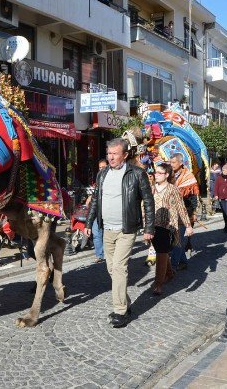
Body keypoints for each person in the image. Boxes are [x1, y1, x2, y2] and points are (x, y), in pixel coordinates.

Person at [85, 138, 155, 328]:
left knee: (119, 268)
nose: (111, 157)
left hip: (127, 229)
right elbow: (95, 200)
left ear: (125, 155)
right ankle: (126, 302)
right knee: (111, 269)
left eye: (115, 154)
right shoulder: (102, 174)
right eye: (109, 154)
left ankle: (120, 311)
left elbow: (148, 202)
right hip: (106, 229)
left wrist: (149, 228)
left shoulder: (137, 174)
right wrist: (89, 222)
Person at [151, 162, 193, 295]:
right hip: (153, 225)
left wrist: (188, 225)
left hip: (168, 226)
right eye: (155, 172)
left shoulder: (172, 189)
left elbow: (181, 207)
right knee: (160, 251)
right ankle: (169, 273)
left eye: (159, 173)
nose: (156, 175)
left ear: (167, 175)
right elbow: (144, 205)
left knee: (161, 252)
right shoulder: (152, 188)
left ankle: (158, 283)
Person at [170, 153, 199, 270]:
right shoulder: (169, 175)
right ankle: (183, 261)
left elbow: (193, 197)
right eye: (170, 162)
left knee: (177, 240)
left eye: (173, 162)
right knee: (175, 239)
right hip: (170, 213)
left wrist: (193, 213)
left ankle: (173, 266)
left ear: (180, 163)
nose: (171, 165)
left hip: (184, 212)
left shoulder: (189, 177)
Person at [86, 159, 109, 263]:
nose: (101, 169)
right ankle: (99, 255)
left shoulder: (112, 180)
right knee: (96, 233)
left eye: (103, 167)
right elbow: (95, 194)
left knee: (107, 235)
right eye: (100, 168)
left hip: (108, 212)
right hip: (97, 211)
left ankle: (108, 254)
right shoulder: (98, 179)